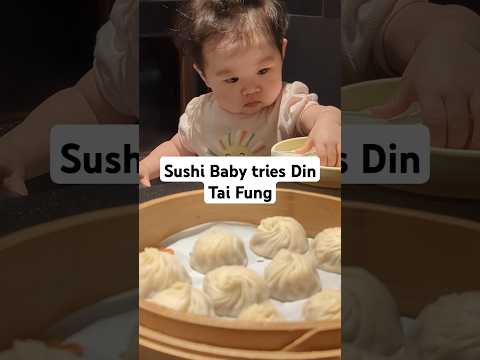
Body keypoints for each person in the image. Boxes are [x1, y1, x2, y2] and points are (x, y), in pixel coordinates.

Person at [138, 0, 342, 187]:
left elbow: (324, 114)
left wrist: (328, 124)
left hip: (281, 213)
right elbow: (177, 147)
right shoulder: (200, 116)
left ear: (282, 51)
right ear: (204, 75)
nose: (251, 89)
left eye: (263, 71)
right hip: (219, 214)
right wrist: (146, 167)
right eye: (232, 79)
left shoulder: (288, 105)